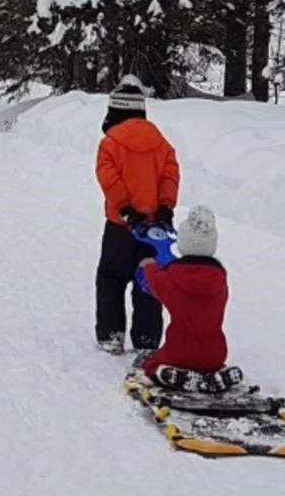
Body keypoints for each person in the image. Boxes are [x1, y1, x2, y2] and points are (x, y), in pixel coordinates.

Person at [94, 77, 179, 354]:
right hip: (155, 227)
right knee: (150, 279)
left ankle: (111, 334)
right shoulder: (161, 144)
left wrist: (126, 210)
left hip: (121, 226)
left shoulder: (109, 144)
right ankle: (146, 337)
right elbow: (170, 176)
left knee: (111, 277)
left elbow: (109, 180)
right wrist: (165, 208)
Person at [136, 206, 228, 383]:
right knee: (210, 361)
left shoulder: (172, 279)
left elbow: (155, 281)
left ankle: (170, 375)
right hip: (215, 353)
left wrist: (149, 265)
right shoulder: (220, 279)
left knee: (150, 365)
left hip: (180, 350)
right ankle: (216, 377)